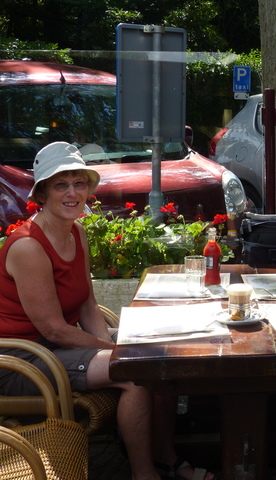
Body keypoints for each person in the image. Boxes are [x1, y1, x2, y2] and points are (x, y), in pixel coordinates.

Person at [0, 142, 214, 480]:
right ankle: (144, 475)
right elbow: (54, 329)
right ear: (42, 193)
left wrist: (108, 344)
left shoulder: (77, 232)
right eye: (61, 185)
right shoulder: (28, 246)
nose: (72, 193)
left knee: (162, 354)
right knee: (134, 374)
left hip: (58, 346)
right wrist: (116, 353)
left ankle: (165, 458)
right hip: (22, 361)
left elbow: (86, 303)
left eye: (79, 183)